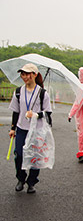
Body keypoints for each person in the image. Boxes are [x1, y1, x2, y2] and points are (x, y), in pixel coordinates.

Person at [9, 63, 52, 193]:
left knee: (35, 157)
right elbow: (16, 111)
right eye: (22, 74)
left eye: (27, 74)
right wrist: (12, 128)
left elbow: (48, 113)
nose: (24, 76)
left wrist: (36, 115)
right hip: (21, 128)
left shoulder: (42, 93)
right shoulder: (18, 92)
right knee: (19, 155)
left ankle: (32, 182)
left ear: (34, 74)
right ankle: (21, 179)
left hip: (37, 130)